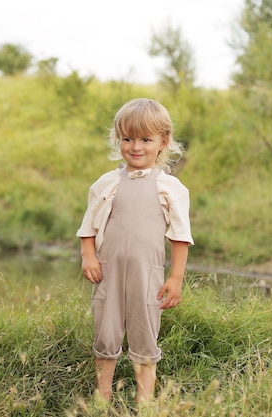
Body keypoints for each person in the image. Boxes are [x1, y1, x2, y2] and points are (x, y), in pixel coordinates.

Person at [76, 98, 194, 404]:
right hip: (108, 275)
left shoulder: (169, 187)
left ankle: (146, 404)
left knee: (144, 339)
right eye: (127, 138)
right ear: (119, 140)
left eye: (146, 139)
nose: (136, 146)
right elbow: (87, 225)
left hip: (148, 279)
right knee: (106, 336)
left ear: (163, 142)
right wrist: (88, 255)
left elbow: (180, 237)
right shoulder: (107, 183)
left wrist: (176, 278)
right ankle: (102, 400)